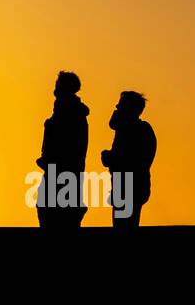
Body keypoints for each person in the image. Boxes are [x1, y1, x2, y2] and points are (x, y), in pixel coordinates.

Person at [36, 71, 89, 230]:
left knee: (56, 217)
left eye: (58, 85)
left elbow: (66, 145)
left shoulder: (68, 113)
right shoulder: (68, 111)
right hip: (63, 172)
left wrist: (50, 160)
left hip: (62, 173)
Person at [100, 91, 155, 230]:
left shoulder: (138, 130)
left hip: (130, 189)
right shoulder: (129, 130)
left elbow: (131, 159)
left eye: (121, 106)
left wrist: (110, 158)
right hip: (126, 187)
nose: (116, 108)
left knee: (124, 227)